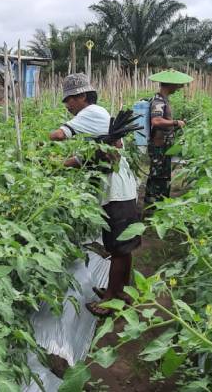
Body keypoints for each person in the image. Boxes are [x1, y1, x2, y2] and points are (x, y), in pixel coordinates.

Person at [49, 73, 141, 317]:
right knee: (121, 246)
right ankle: (119, 291)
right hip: (117, 190)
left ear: (82, 97)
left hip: (118, 192)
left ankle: (112, 299)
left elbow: (58, 135)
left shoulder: (90, 113)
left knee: (119, 248)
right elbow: (88, 157)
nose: (67, 105)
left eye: (69, 99)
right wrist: (60, 164)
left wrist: (37, 145)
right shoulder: (97, 118)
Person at [144, 69, 193, 207]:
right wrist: (175, 122)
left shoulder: (164, 100)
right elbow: (156, 121)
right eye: (177, 85)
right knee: (157, 178)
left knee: (162, 177)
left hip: (164, 146)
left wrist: (175, 125)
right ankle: (153, 207)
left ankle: (157, 205)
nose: (178, 88)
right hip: (158, 146)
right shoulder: (158, 101)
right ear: (170, 84)